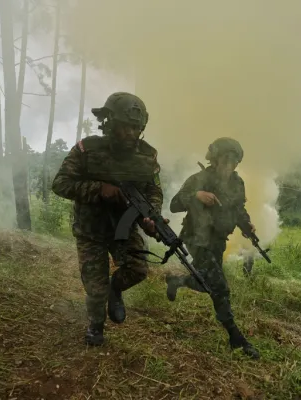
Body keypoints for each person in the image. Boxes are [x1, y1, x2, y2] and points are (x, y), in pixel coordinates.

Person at [52, 92, 163, 346]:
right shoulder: (86, 149)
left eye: (136, 128)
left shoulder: (147, 156)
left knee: (138, 269)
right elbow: (60, 183)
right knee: (95, 287)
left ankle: (115, 290)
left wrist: (151, 214)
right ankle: (96, 325)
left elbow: (154, 190)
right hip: (90, 228)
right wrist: (99, 189)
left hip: (124, 226)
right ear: (110, 123)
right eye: (125, 126)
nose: (131, 133)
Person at [165, 137, 260, 359]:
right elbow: (174, 204)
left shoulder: (237, 183)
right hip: (196, 239)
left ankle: (177, 281)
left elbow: (238, 209)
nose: (229, 166)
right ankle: (236, 337)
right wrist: (196, 196)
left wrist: (246, 225)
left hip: (217, 240)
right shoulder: (199, 179)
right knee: (220, 287)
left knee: (206, 283)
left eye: (233, 162)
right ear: (215, 160)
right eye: (225, 161)